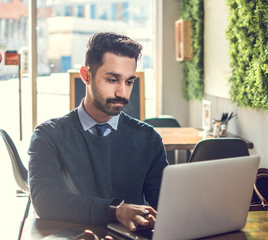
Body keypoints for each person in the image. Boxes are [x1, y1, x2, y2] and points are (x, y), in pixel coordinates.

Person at [28, 32, 168, 232]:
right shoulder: (49, 136)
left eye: (129, 82)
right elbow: (45, 201)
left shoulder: (148, 138)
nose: (122, 92)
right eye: (112, 80)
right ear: (86, 75)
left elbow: (163, 205)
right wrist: (115, 210)